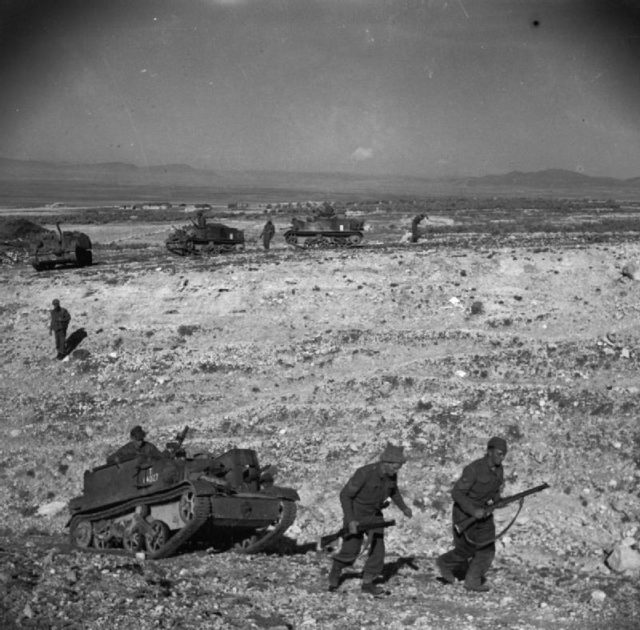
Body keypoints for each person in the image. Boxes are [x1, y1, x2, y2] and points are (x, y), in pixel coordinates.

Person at [328, 443, 413, 596]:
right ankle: (335, 571)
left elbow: (394, 492)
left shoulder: (391, 475)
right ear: (386, 463)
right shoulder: (365, 473)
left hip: (375, 515)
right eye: (395, 466)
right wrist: (351, 519)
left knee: (378, 550)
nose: (397, 470)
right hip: (356, 514)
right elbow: (345, 495)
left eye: (399, 467)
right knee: (351, 549)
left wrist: (404, 508)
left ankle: (368, 582)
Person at [436, 436, 508, 592]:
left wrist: (498, 500)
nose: (501, 458)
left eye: (504, 454)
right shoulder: (473, 469)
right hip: (465, 514)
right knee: (465, 550)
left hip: (485, 512)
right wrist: (473, 511)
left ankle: (472, 581)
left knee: (487, 549)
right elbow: (457, 493)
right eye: (499, 453)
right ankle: (445, 563)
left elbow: (495, 490)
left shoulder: (499, 470)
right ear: (489, 452)